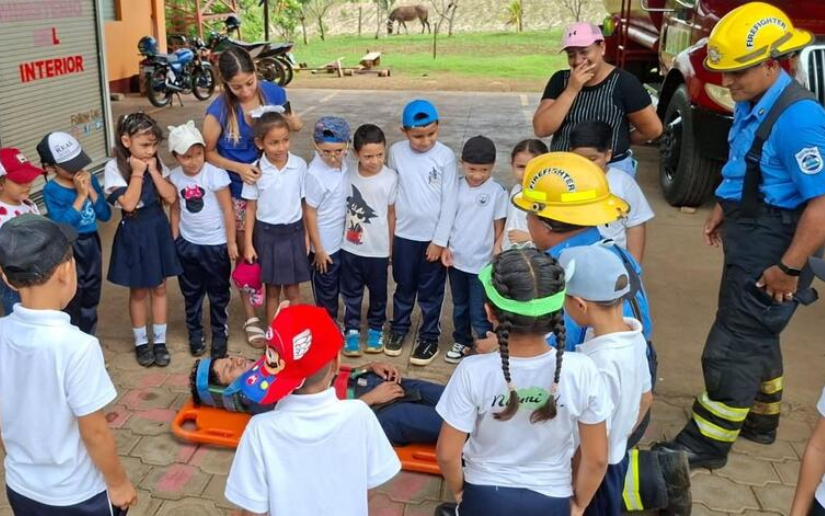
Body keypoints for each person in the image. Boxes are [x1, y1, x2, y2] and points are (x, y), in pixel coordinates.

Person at [656, 3, 825, 470]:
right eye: (724, 72)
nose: (728, 82)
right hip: (752, 232)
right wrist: (724, 205)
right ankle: (760, 419)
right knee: (757, 334)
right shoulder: (756, 101)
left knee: (732, 345)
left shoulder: (799, 120)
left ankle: (706, 445)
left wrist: (788, 268)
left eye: (738, 72)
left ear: (773, 64)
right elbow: (747, 166)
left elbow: (822, 205)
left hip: (776, 246)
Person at [511, 152, 690, 514]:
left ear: (543, 223)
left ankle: (653, 478)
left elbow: (553, 354)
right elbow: (642, 399)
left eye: (529, 212)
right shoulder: (615, 254)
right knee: (610, 460)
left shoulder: (563, 275)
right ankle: (654, 477)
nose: (526, 220)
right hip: (634, 372)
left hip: (591, 399)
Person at [435, 249, 610, 516]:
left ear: (489, 312)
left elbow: (447, 454)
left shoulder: (472, 371)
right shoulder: (583, 370)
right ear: (557, 312)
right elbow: (596, 459)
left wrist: (460, 493)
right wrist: (579, 505)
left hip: (484, 497)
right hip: (552, 500)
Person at [0, 214, 137, 515]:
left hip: (21, 486)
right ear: (66, 270)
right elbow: (95, 431)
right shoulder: (78, 346)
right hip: (76, 495)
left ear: (6, 278)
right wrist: (118, 483)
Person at [224, 304, 401, 515]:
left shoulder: (259, 430)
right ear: (336, 364)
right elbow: (371, 484)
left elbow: (253, 511)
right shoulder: (360, 414)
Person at [203, 46, 302, 348]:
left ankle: (281, 314)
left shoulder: (274, 93)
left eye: (249, 82)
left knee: (271, 252)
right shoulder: (218, 111)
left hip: (273, 189)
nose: (246, 91)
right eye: (237, 87)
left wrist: (293, 124)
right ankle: (250, 318)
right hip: (239, 192)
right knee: (248, 256)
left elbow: (289, 126)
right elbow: (206, 153)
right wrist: (239, 168)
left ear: (256, 73)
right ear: (225, 84)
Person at [559, 245, 653, 516]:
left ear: (580, 304)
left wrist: (578, 498)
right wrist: (621, 435)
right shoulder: (634, 336)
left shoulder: (597, 363)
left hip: (589, 472)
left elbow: (593, 448)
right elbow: (646, 398)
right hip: (615, 460)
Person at [191, 355, 443, 445]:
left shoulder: (271, 367)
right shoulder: (262, 404)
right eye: (229, 369)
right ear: (228, 391)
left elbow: (317, 373)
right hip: (373, 415)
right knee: (453, 426)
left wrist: (366, 368)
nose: (236, 360)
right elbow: (315, 424)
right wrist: (369, 400)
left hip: (374, 385)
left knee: (452, 398)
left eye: (230, 358)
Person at [532, 21, 662, 176]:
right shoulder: (560, 81)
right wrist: (571, 90)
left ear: (602, 47)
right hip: (564, 170)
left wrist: (619, 141)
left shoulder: (624, 83)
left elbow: (653, 129)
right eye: (571, 55)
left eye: (584, 52)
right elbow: (541, 129)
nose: (578, 61)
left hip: (611, 169)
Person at [103, 112, 181, 368]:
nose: (150, 151)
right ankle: (140, 342)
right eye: (145, 145)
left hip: (157, 228)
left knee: (159, 287)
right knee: (138, 290)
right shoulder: (114, 167)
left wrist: (155, 171)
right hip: (134, 232)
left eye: (154, 145)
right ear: (126, 141)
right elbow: (128, 203)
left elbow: (170, 197)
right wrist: (137, 173)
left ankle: (159, 341)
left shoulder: (155, 162)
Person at [387, 99, 458, 365]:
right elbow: (392, 191)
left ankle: (429, 337)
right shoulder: (396, 152)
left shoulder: (445, 156)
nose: (425, 141)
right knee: (403, 287)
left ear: (438, 127)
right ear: (404, 131)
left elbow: (450, 200)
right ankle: (399, 328)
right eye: (418, 136)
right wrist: (390, 236)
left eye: (431, 134)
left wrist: (439, 240)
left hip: (431, 240)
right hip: (404, 236)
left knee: (431, 293)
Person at [168, 121, 238, 358]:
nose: (194, 161)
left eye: (198, 154)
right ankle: (195, 332)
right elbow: (175, 209)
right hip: (188, 244)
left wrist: (231, 242)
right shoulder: (175, 177)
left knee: (219, 292)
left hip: (215, 245)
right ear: (176, 157)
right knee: (191, 293)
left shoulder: (215, 174)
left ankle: (219, 333)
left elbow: (228, 209)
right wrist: (175, 238)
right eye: (186, 157)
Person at [442, 135, 507, 364]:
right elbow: (447, 219)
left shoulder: (497, 191)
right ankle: (462, 340)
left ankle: (484, 342)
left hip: (482, 264)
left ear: (493, 166)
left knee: (480, 308)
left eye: (484, 170)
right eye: (472, 169)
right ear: (462, 163)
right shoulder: (455, 186)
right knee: (459, 305)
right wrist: (445, 246)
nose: (477, 175)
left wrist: (496, 251)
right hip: (456, 260)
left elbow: (499, 226)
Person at [38, 132, 111, 335]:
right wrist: (80, 196)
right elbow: (62, 226)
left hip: (91, 242)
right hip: (69, 246)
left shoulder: (91, 179)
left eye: (78, 163)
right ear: (50, 167)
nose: (76, 170)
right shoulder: (51, 190)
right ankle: (72, 337)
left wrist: (92, 190)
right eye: (69, 166)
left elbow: (105, 215)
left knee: (92, 291)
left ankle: (88, 337)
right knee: (72, 294)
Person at [242, 111, 310, 326]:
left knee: (293, 290)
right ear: (260, 143)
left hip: (294, 233)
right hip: (266, 235)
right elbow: (250, 208)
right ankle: (274, 336)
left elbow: (304, 203)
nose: (281, 147)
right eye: (274, 143)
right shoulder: (255, 170)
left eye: (285, 140)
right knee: (272, 290)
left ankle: (295, 334)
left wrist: (307, 236)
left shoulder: (299, 165)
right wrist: (248, 244)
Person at [340, 124, 397, 356]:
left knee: (378, 294)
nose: (375, 161)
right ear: (356, 154)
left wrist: (391, 246)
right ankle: (352, 330)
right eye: (368, 156)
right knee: (351, 293)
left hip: (378, 250)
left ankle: (375, 329)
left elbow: (391, 214)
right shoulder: (347, 173)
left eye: (379, 155)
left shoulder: (390, 178)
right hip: (350, 248)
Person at [569, 121, 654, 263]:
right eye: (579, 159)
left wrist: (634, 264)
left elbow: (635, 224)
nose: (587, 165)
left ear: (607, 155)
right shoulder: (562, 183)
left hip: (613, 262)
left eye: (593, 159)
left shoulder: (623, 183)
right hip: (571, 260)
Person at [305, 116, 351, 321]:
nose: (333, 157)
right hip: (325, 246)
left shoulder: (346, 164)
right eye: (326, 152)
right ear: (316, 145)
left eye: (338, 151)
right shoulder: (315, 174)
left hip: (344, 241)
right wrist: (319, 249)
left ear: (347, 144)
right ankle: (327, 327)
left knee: (343, 287)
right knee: (326, 293)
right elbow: (310, 212)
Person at [0, 148, 42, 316]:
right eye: (20, 181)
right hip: (14, 281)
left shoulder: (28, 204)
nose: (28, 184)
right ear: (1, 184)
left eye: (29, 178)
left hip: (38, 272)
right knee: (19, 316)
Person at [497, 139, 548, 253]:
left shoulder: (545, 197)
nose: (526, 173)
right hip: (506, 254)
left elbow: (554, 234)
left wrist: (529, 236)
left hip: (531, 256)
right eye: (521, 167)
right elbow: (511, 221)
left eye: (533, 168)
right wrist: (498, 245)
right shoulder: (516, 190)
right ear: (512, 165)